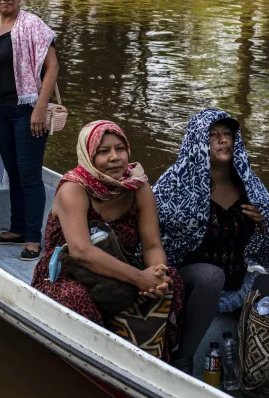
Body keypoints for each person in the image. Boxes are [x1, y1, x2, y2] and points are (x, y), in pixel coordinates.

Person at [153, 109, 269, 371]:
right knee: (212, 276)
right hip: (192, 280)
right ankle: (181, 360)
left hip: (237, 283)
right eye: (213, 135)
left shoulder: (249, 186)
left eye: (227, 134)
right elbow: (153, 235)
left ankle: (259, 358)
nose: (223, 140)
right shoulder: (177, 182)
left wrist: (264, 224)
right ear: (197, 143)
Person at [31, 120, 184, 361]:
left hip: (120, 269)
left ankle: (157, 359)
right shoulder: (74, 189)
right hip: (68, 276)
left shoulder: (138, 188)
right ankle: (101, 359)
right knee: (75, 296)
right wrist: (139, 278)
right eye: (103, 151)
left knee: (171, 280)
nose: (115, 157)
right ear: (88, 155)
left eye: (120, 149)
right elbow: (81, 251)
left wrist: (156, 274)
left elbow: (152, 245)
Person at [0, 0, 59, 260]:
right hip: (1, 111)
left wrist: (39, 107)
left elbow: (52, 67)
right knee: (13, 174)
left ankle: (32, 238)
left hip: (27, 110)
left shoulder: (32, 25)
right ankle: (15, 228)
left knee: (29, 176)